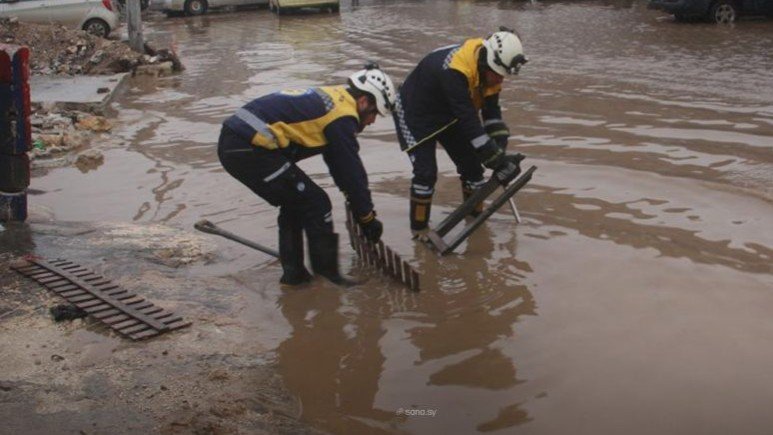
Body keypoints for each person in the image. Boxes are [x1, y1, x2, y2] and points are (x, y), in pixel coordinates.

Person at [218, 63, 396, 286]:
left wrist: (359, 206)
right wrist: (367, 217)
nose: (372, 122)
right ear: (363, 101)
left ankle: (294, 276)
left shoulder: (337, 99)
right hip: (247, 149)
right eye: (374, 114)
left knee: (296, 201)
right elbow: (351, 172)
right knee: (317, 202)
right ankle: (328, 277)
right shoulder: (342, 118)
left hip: (239, 143)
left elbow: (338, 165)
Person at [392, 27, 528, 237]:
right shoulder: (455, 70)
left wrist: (499, 148)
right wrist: (494, 158)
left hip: (449, 111)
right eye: (498, 75)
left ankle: (475, 225)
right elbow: (469, 121)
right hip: (416, 113)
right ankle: (419, 232)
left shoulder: (490, 72)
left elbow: (492, 115)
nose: (501, 80)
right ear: (486, 64)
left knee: (473, 169)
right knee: (426, 173)